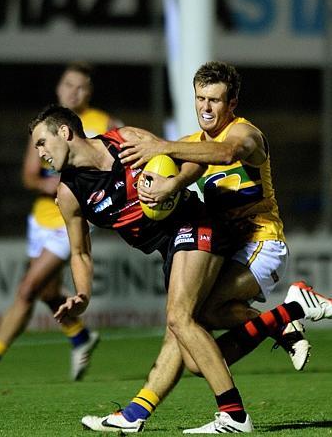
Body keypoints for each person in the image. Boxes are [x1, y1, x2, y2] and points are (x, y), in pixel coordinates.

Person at [28, 106, 332, 434]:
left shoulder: (125, 142)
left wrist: (172, 185)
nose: (39, 153)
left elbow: (190, 159)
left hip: (195, 223)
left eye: (42, 142)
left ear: (64, 132)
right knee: (190, 351)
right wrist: (83, 294)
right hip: (170, 248)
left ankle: (234, 415)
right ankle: (292, 310)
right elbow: (80, 252)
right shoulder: (69, 194)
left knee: (178, 318)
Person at [118, 60, 310, 370]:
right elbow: (147, 158)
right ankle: (283, 322)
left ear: (231, 103)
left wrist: (163, 148)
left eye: (215, 100)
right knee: (197, 326)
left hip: (262, 242)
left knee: (200, 311)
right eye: (200, 98)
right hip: (229, 246)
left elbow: (226, 153)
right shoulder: (189, 145)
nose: (206, 107)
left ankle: (288, 316)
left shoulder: (245, 133)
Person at [0, 62, 121, 383]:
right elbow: (28, 175)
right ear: (58, 88)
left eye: (80, 86)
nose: (72, 91)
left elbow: (117, 153)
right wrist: (47, 184)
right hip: (40, 220)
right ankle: (80, 337)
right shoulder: (44, 128)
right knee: (47, 289)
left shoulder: (101, 122)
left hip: (69, 221)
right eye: (67, 85)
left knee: (27, 289)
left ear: (88, 91)